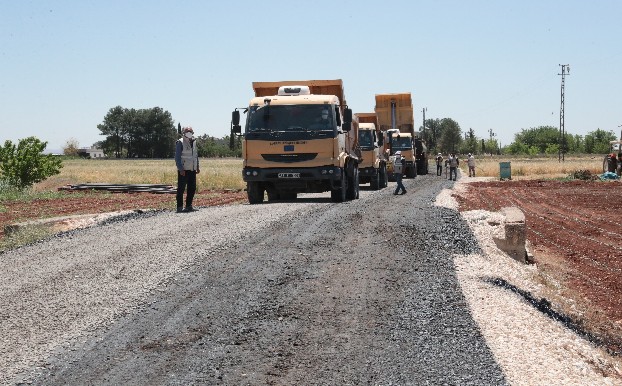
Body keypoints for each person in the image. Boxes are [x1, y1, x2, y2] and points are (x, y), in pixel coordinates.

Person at [175, 126, 200, 212]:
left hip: (192, 169)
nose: (189, 133)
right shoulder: (180, 142)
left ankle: (189, 206)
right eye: (187, 131)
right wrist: (180, 169)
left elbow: (195, 155)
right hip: (184, 170)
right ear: (184, 133)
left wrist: (197, 166)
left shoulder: (194, 142)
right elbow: (177, 157)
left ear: (192, 133)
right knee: (181, 189)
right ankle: (179, 207)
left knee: (192, 188)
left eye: (190, 131)